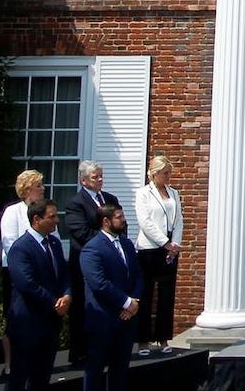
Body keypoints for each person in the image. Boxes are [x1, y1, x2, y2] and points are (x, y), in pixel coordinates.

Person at [6, 199, 70, 391]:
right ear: (36, 219)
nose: (56, 221)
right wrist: (54, 303)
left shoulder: (55, 244)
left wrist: (67, 296)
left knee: (42, 377)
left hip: (49, 323)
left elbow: (64, 275)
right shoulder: (21, 248)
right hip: (28, 322)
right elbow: (26, 284)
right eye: (51, 217)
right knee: (19, 377)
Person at [62, 160, 120, 366]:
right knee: (83, 307)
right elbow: (80, 232)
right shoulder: (76, 203)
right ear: (84, 180)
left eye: (101, 175)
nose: (100, 180)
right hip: (85, 261)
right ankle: (80, 352)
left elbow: (120, 224)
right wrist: (106, 239)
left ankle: (106, 349)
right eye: (96, 177)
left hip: (109, 262)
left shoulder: (110, 200)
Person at [78, 203, 141, 391]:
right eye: (119, 217)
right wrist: (126, 302)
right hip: (103, 318)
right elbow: (99, 283)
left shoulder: (127, 244)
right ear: (106, 221)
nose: (123, 220)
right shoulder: (92, 249)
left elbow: (137, 275)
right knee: (95, 369)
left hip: (126, 318)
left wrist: (134, 302)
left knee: (120, 369)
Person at [0, 170, 47, 377]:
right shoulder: (13, 212)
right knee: (15, 316)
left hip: (40, 274)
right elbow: (10, 243)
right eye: (39, 186)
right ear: (27, 189)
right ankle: (11, 363)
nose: (43, 189)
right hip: (15, 272)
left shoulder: (44, 211)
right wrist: (27, 267)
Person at [133, 155, 183, 356]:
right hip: (149, 248)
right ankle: (143, 340)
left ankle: (163, 338)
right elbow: (145, 221)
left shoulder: (174, 193)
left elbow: (179, 219)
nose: (168, 177)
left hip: (170, 250)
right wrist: (164, 242)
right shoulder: (144, 194)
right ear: (154, 174)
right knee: (146, 295)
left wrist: (175, 244)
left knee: (166, 295)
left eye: (169, 173)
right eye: (165, 173)